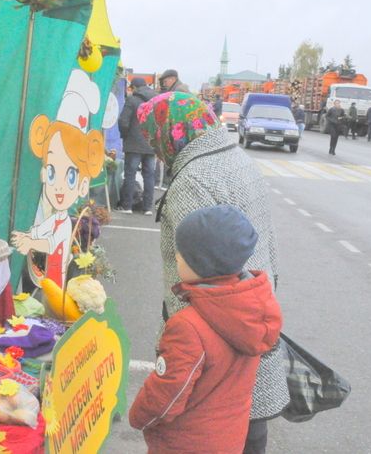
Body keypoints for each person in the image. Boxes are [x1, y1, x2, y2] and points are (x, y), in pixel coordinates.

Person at [137, 92, 288, 453]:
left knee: (219, 430)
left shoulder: (193, 179)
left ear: (170, 132)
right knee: (248, 430)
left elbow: (202, 272)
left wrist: (181, 349)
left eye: (153, 137)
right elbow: (266, 240)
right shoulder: (235, 157)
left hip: (214, 348)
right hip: (248, 315)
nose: (154, 149)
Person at [129, 205, 282, 453]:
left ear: (202, 263)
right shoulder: (250, 311)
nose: (177, 257)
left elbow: (167, 395)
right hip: (228, 438)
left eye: (182, 254)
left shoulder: (188, 327)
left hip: (186, 443)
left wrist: (138, 416)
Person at [10, 115, 104, 287]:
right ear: (44, 174)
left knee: (53, 303)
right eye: (52, 172)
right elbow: (41, 230)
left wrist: (30, 242)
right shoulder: (57, 217)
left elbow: (51, 245)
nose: (59, 187)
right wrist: (27, 235)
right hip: (47, 276)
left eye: (70, 177)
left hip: (57, 277)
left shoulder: (66, 224)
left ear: (83, 184)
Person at [117, 78, 157, 215]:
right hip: (152, 144)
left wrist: (125, 136)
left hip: (133, 144)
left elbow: (123, 121)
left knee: (130, 174)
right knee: (149, 176)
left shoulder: (132, 100)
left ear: (134, 87)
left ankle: (127, 206)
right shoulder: (157, 100)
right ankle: (147, 208)